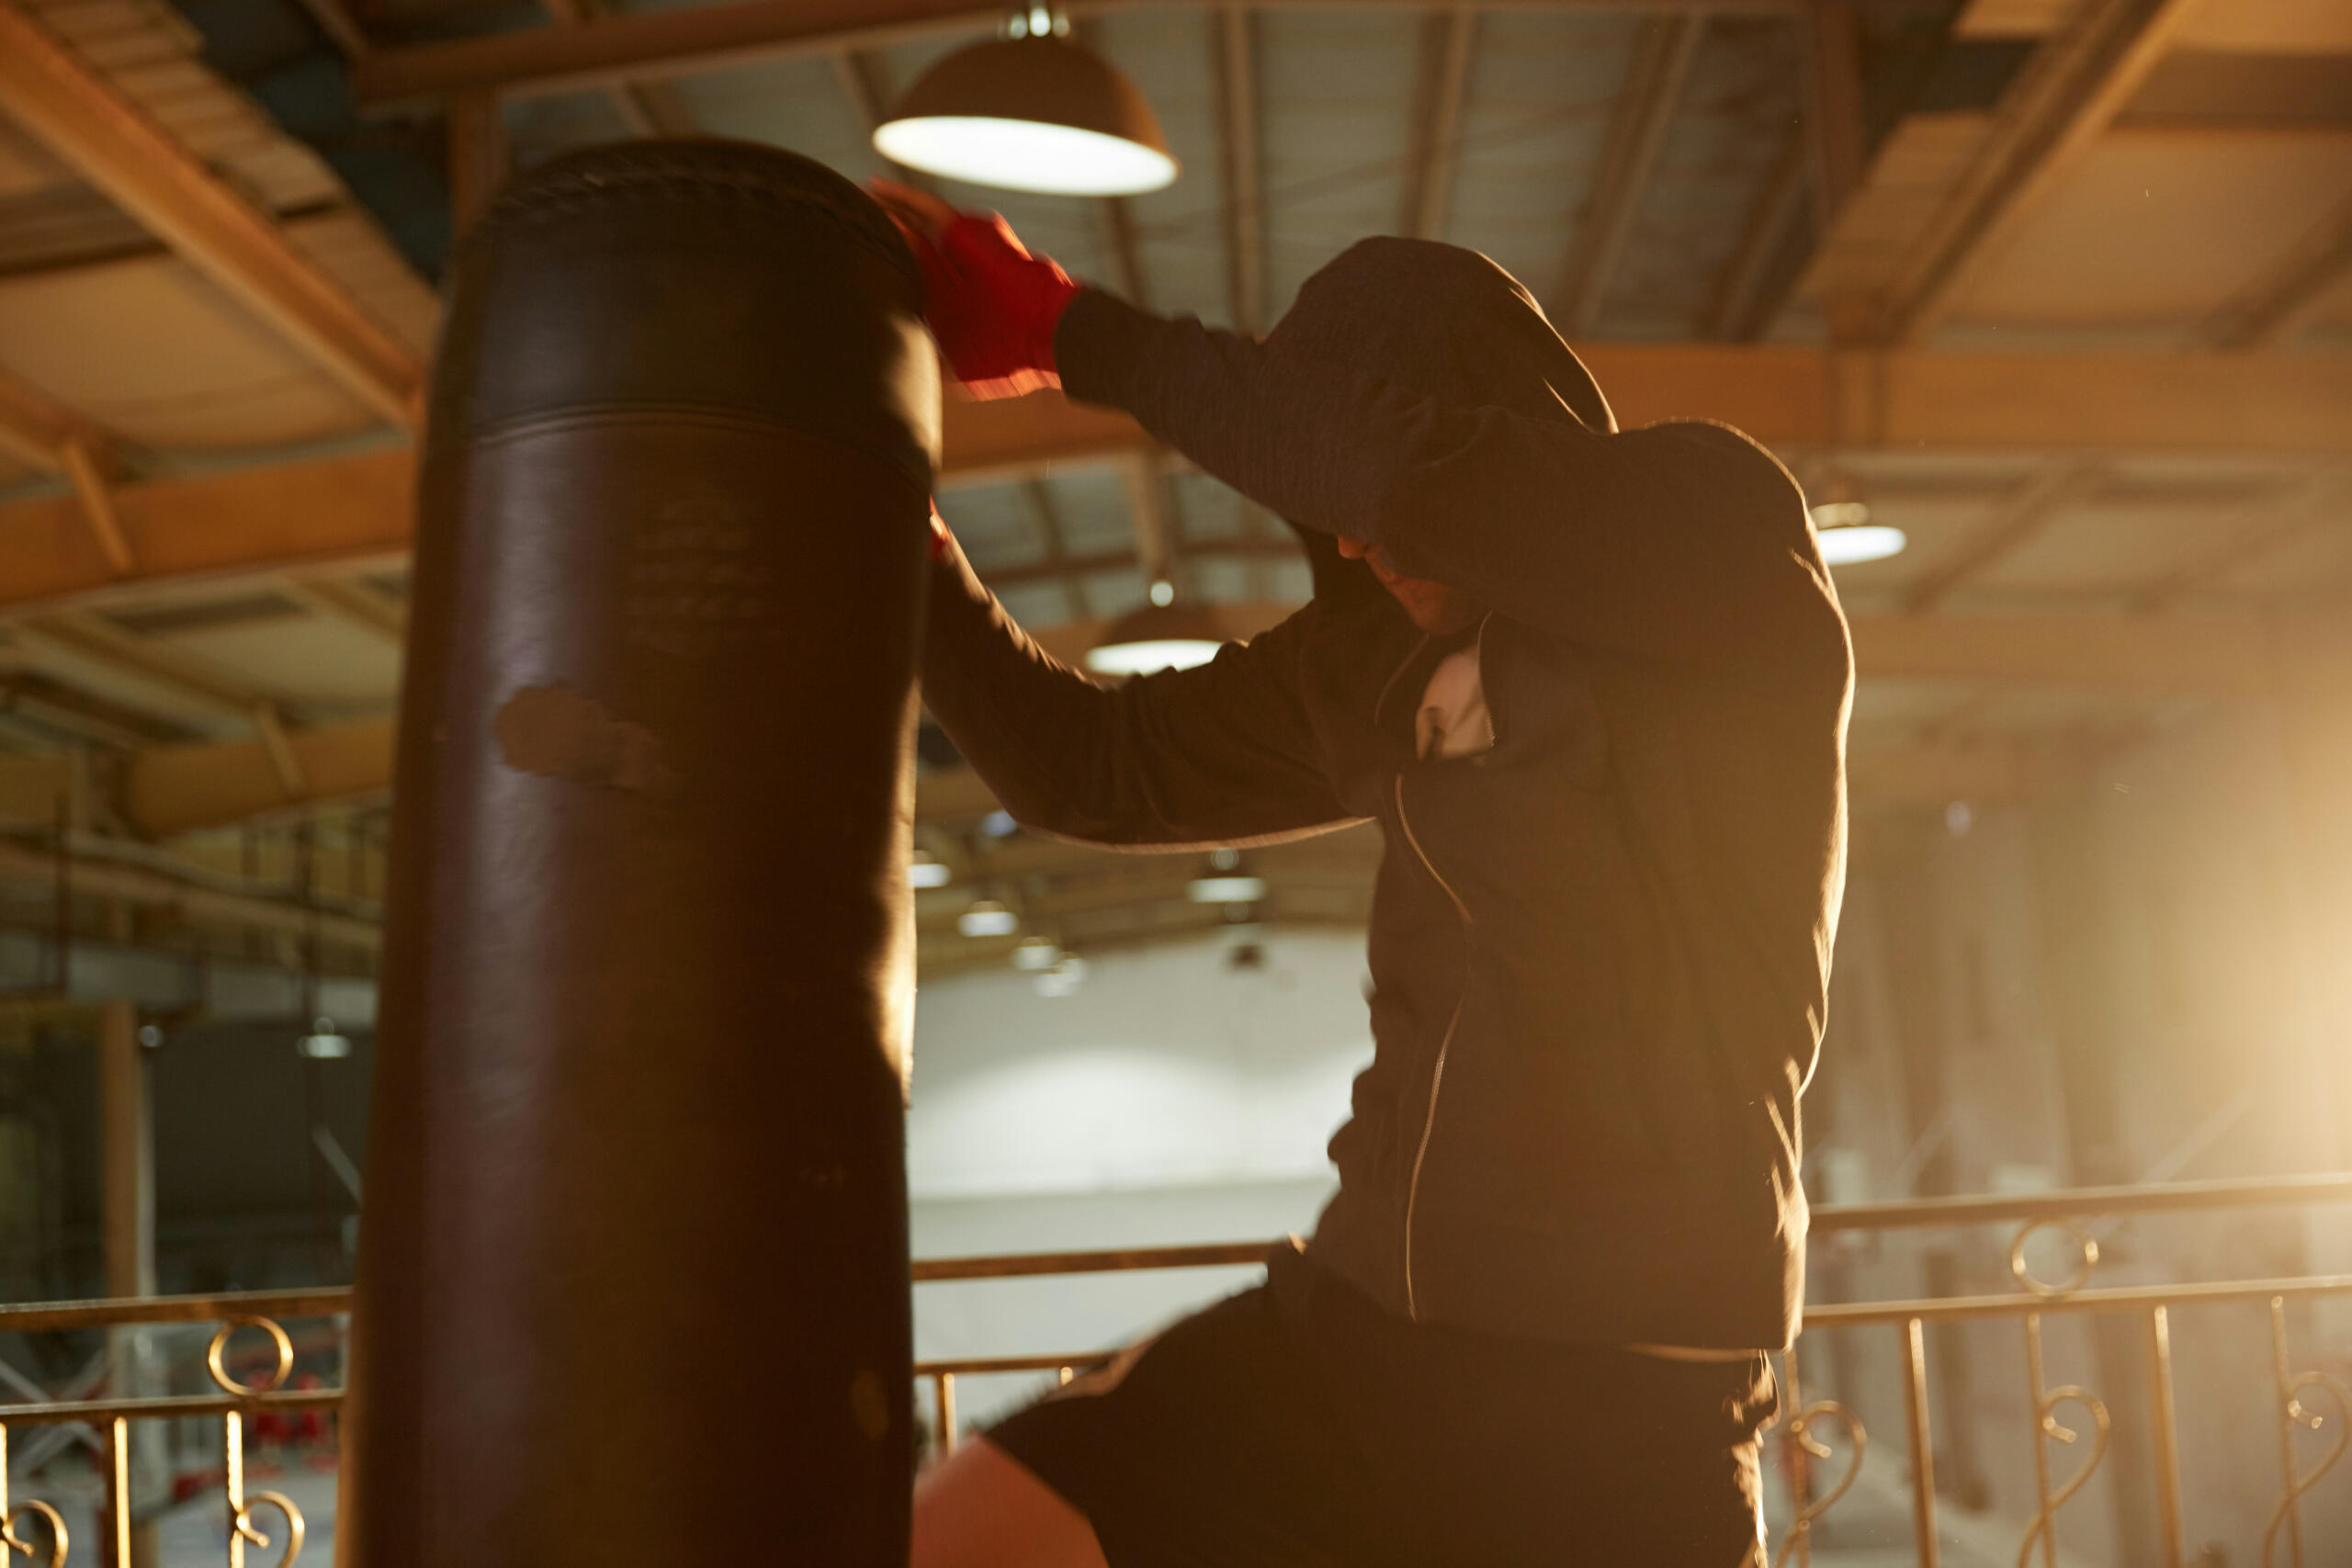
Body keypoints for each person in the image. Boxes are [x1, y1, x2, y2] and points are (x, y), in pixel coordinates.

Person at [874, 179, 1851, 1568]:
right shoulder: (1359, 670)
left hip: (1622, 1381)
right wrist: (895, 544)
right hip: (1358, 1337)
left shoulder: (1715, 536)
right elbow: (1094, 770)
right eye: (1318, 514)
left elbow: (1405, 479)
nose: (1346, 542)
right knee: (961, 1538)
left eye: (1342, 480)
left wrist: (1070, 331)